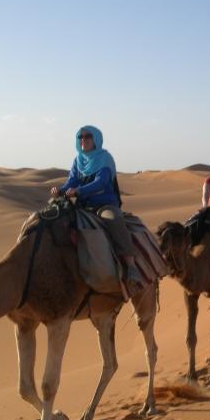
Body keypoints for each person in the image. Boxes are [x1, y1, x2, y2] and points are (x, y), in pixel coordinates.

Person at [51, 125, 143, 294]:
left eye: (87, 136)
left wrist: (80, 191)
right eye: (80, 137)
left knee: (114, 219)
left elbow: (101, 182)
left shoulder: (105, 158)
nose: (83, 140)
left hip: (103, 205)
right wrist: (61, 190)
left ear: (96, 139)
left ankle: (131, 266)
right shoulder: (78, 160)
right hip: (83, 205)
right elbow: (71, 181)